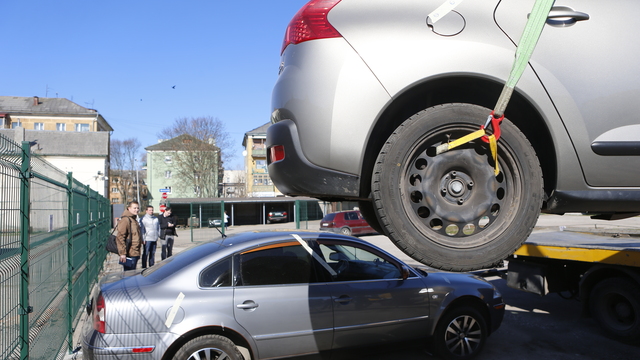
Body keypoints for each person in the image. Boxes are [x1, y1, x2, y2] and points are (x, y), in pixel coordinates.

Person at [116, 201, 142, 271]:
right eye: (134, 208)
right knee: (128, 276)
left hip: (135, 252)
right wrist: (122, 253)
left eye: (138, 208)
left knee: (132, 275)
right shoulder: (126, 220)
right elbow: (120, 237)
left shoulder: (134, 219)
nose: (137, 210)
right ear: (129, 208)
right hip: (129, 254)